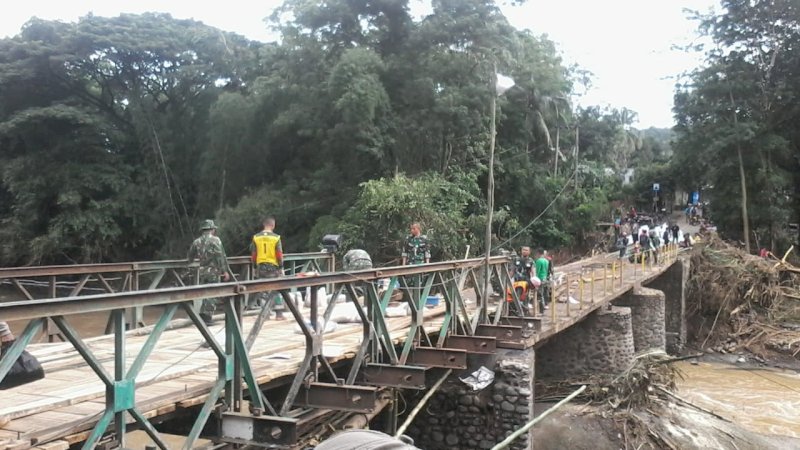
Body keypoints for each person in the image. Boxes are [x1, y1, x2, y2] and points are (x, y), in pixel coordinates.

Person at [187, 219, 231, 325]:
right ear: (212, 229)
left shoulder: (196, 241)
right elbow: (221, 256)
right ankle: (207, 317)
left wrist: (190, 264)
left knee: (205, 292)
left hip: (202, 271)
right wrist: (225, 271)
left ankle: (203, 314)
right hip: (214, 271)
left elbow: (190, 256)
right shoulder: (216, 240)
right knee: (213, 293)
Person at [250, 217, 285, 320]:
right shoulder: (276, 237)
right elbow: (279, 254)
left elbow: (253, 254)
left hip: (261, 266)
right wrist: (281, 266)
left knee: (263, 289)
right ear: (273, 225)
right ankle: (279, 314)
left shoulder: (256, 237)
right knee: (277, 288)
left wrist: (255, 266)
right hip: (273, 266)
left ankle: (265, 314)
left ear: (263, 225)